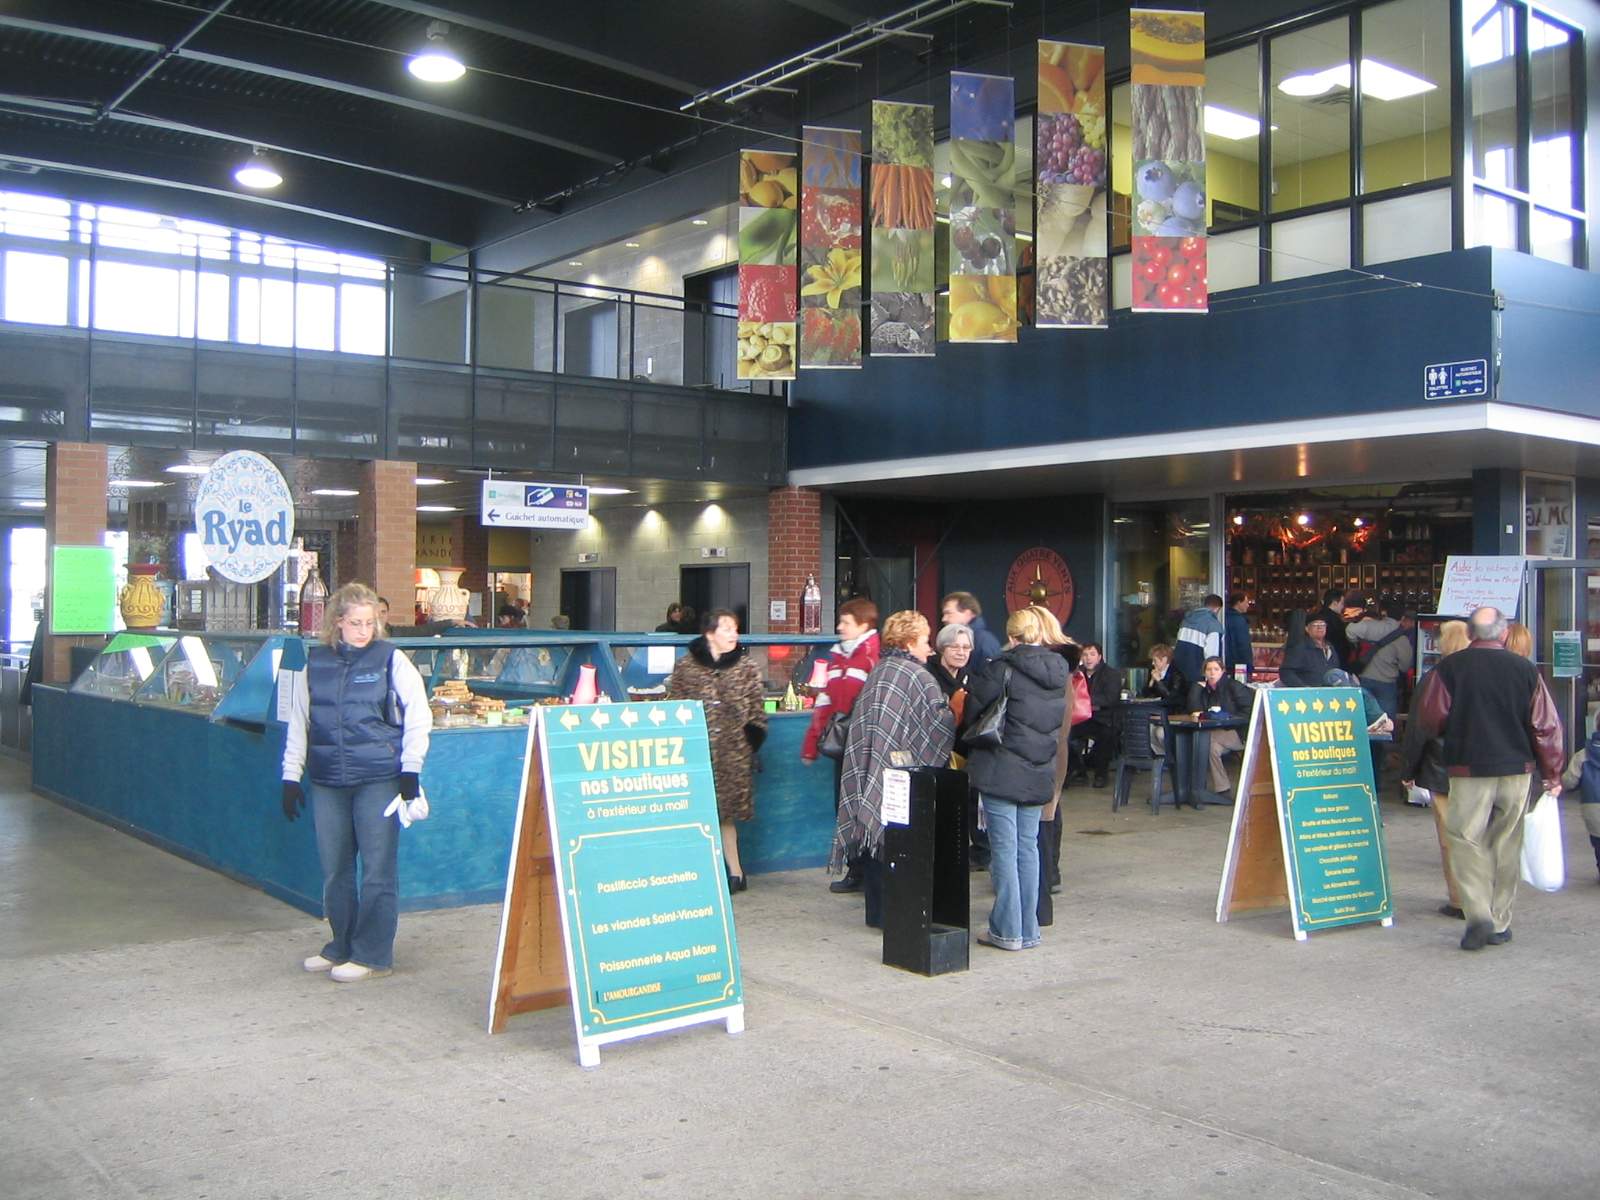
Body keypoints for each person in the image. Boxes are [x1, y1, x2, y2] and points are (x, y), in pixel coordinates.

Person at [281, 583, 432, 983]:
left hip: (378, 778)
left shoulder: (391, 660)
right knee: (335, 869)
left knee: (378, 870)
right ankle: (341, 944)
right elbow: (300, 722)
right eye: (355, 623)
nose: (364, 630)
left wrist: (411, 770)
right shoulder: (315, 664)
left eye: (370, 622)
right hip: (329, 777)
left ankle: (373, 953)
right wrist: (290, 775)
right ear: (338, 623)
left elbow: (418, 715)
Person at [1416, 606, 1563, 951]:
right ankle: (1499, 921)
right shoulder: (1526, 670)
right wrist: (1553, 773)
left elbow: (1430, 718)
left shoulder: (1448, 669)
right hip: (1516, 769)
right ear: (1502, 634)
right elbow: (1545, 726)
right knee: (1507, 841)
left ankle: (1477, 914)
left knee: (1465, 838)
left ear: (1469, 634)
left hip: (1468, 769)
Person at [831, 611, 955, 928]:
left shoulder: (880, 671)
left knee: (874, 834)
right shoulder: (918, 676)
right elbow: (938, 726)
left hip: (870, 767)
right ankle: (894, 914)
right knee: (898, 841)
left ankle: (876, 913)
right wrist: (955, 710)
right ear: (911, 641)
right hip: (902, 773)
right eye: (926, 641)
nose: (929, 648)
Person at [962, 606, 1068, 951]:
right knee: (1029, 849)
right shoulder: (1058, 670)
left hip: (1001, 770)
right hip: (1039, 770)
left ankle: (1007, 930)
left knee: (1004, 852)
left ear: (1011, 637)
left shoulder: (1000, 669)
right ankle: (1029, 929)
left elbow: (973, 712)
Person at [666, 609, 768, 894]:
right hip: (696, 753)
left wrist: (750, 742)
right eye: (726, 629)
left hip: (732, 755)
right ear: (710, 633)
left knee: (725, 815)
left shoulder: (746, 668)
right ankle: (696, 872)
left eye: (735, 628)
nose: (734, 634)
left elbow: (757, 711)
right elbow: (676, 707)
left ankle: (735, 872)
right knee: (697, 813)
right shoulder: (686, 667)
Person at [801, 597, 882, 893]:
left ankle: (867, 869)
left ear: (863, 625)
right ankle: (855, 867)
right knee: (845, 807)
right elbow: (824, 702)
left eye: (846, 622)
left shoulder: (873, 658)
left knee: (863, 807)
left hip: (866, 748)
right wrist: (811, 744)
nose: (839, 627)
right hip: (843, 749)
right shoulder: (837, 658)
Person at [1398, 619, 1469, 917]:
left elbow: (1421, 728)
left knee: (1451, 837)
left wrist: (1408, 770)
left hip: (1443, 768)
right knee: (1481, 833)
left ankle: (1460, 899)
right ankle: (1485, 894)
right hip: (1484, 767)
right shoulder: (1487, 673)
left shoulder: (1438, 678)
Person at [928, 621, 988, 870]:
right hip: (936, 752)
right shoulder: (929, 676)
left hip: (964, 752)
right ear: (942, 648)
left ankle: (977, 852)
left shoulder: (972, 679)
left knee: (970, 801)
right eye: (955, 647)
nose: (962, 652)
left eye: (966, 647)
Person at [1184, 657, 1255, 800]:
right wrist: (1196, 689)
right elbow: (1194, 711)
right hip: (1215, 732)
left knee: (1203, 739)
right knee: (1211, 747)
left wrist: (1228, 718)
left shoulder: (1234, 686)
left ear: (1222, 671)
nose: (1212, 673)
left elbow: (1250, 711)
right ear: (1204, 672)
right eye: (1208, 670)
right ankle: (1222, 789)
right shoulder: (1205, 690)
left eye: (1216, 669)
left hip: (1239, 732)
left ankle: (1196, 785)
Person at [1074, 642, 1122, 789]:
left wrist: (1083, 700)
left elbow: (1110, 698)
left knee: (1106, 735)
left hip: (1104, 719)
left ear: (1100, 657)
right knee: (1065, 735)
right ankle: (1079, 770)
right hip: (1081, 718)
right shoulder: (1077, 674)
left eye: (1092, 654)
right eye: (1085, 655)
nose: (1088, 658)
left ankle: (1101, 774)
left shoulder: (1111, 674)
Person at [1356, 607, 1414, 722]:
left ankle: (1365, 740)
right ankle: (1382, 740)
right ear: (1402, 619)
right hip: (1386, 683)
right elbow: (1405, 666)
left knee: (1362, 718)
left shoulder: (1370, 632)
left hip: (1364, 677)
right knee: (1385, 722)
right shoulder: (1402, 639)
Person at [941, 591, 1001, 675]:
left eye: (948, 613)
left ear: (967, 613)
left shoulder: (984, 642)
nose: (944, 619)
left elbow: (992, 680)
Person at [1171, 594, 1225, 684]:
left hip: (1181, 674)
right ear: (1217, 608)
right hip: (1199, 677)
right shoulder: (1213, 625)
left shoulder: (1186, 621)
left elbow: (1178, 645)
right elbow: (1212, 656)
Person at [1279, 614, 1337, 686]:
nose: (1320, 627)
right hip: (1307, 695)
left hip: (1328, 694)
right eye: (1315, 625)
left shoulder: (1330, 647)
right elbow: (1286, 672)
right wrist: (1303, 688)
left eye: (1323, 624)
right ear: (1307, 628)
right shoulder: (1299, 647)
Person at [1141, 643, 1189, 711]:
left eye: (1155, 660)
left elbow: (1171, 697)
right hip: (1158, 708)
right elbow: (1145, 695)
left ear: (1164, 660)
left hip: (1174, 710)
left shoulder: (1177, 675)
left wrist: (1159, 681)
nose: (1153, 663)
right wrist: (1151, 681)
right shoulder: (1154, 672)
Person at [1315, 588, 1352, 670]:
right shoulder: (1335, 620)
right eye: (1342, 603)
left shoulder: (1317, 616)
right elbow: (1341, 645)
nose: (1343, 607)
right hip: (1335, 662)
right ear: (1335, 603)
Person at [1224, 593, 1253, 679]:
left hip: (1227, 662)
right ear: (1238, 603)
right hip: (1239, 664)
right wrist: (1248, 665)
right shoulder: (1239, 620)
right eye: (1246, 602)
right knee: (1240, 689)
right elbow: (1242, 644)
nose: (1248, 605)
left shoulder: (1224, 617)